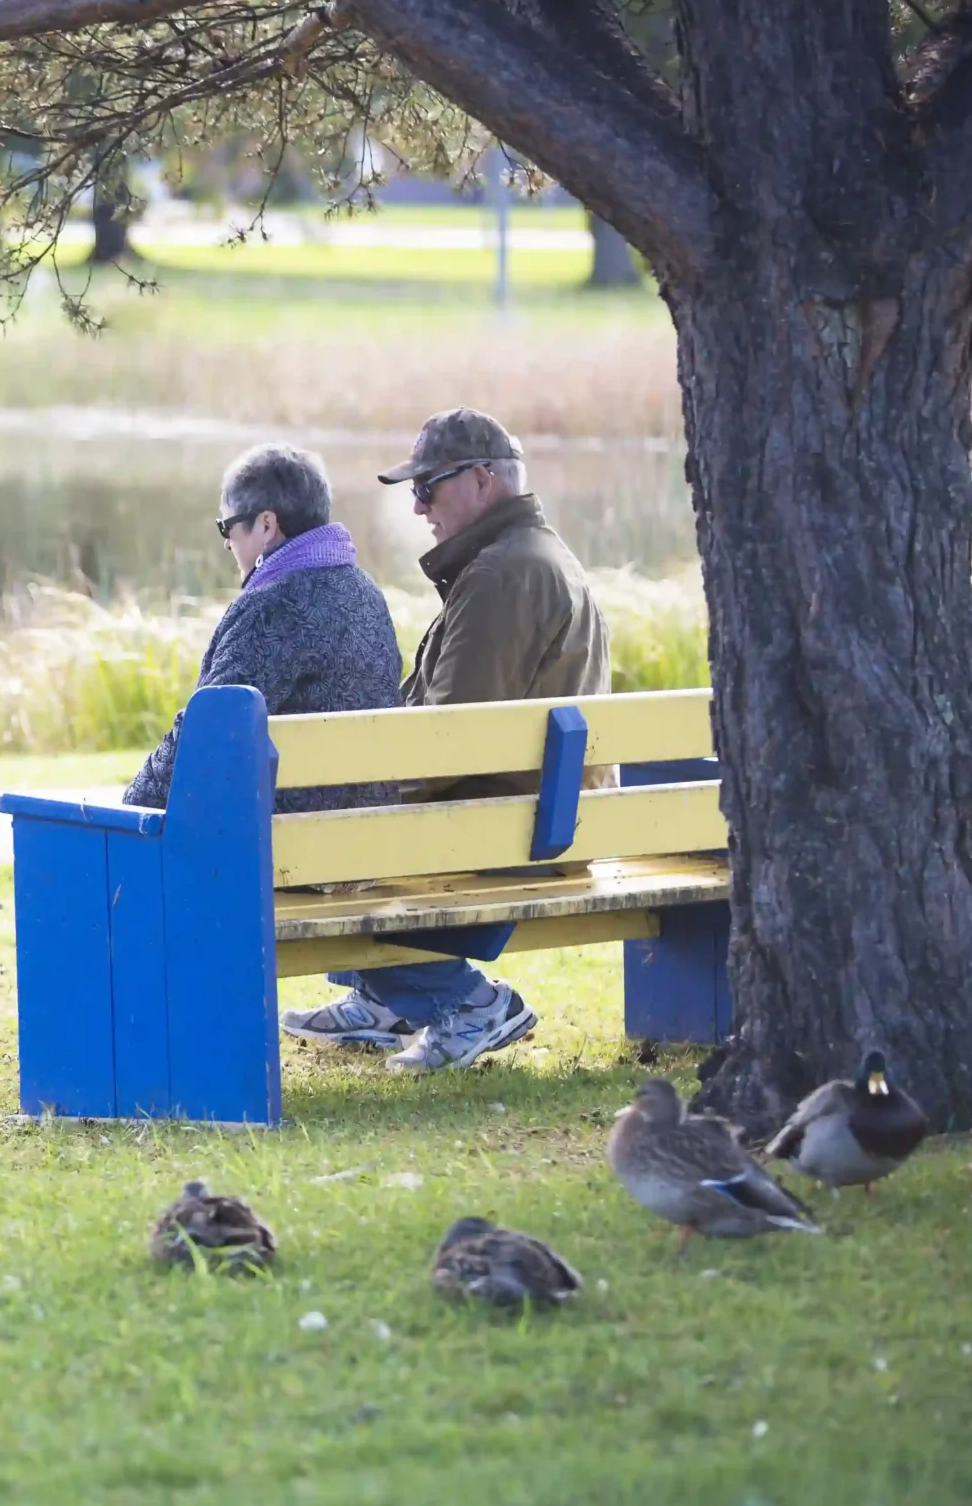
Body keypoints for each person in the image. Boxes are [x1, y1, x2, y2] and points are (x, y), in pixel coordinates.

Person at [280, 408, 613, 1073]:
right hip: (538, 814)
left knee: (307, 847)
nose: (417, 503)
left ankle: (468, 1000)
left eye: (430, 485)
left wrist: (355, 795)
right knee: (322, 830)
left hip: (506, 827)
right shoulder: (528, 556)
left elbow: (450, 740)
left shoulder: (501, 575)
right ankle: (385, 998)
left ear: (485, 479)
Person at [124, 443, 401, 814]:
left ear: (266, 525)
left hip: (282, 853)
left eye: (227, 526)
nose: (226, 541)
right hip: (369, 842)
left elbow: (202, 738)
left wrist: (130, 806)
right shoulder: (368, 593)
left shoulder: (270, 608)